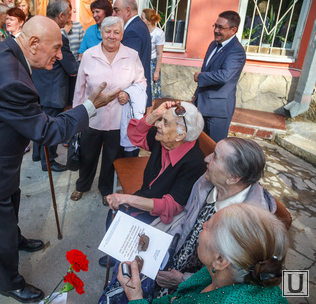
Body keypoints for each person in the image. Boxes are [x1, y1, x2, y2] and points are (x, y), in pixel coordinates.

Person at [0, 15, 120, 303]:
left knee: (9, 203)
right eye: (56, 48)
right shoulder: (9, 76)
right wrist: (90, 106)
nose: (60, 56)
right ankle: (8, 281)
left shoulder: (3, 50)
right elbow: (47, 132)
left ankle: (14, 239)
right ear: (34, 43)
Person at [100, 137, 277, 303]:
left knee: (128, 285)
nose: (206, 159)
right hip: (172, 256)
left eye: (215, 157)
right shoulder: (206, 181)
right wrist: (160, 247)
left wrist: (182, 280)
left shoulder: (249, 223)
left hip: (194, 281)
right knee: (124, 270)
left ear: (234, 178)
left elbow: (232, 280)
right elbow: (185, 220)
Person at [101, 101, 206, 267]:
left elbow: (169, 207)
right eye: (160, 120)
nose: (157, 125)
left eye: (164, 122)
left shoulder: (194, 163)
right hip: (147, 196)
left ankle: (120, 258)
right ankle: (115, 255)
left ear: (180, 135)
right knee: (114, 214)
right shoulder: (165, 140)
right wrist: (156, 114)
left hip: (160, 218)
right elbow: (135, 136)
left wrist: (127, 198)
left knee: (119, 213)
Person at [117, 203, 289, 303]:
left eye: (209, 227)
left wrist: (135, 296)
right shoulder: (224, 273)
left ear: (220, 259)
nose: (203, 224)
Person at [70, 16, 146, 205]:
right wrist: (75, 118)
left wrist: (128, 94)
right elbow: (80, 88)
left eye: (116, 32)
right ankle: (82, 185)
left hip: (119, 120)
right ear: (101, 33)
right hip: (92, 118)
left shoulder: (132, 55)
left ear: (122, 34)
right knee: (87, 155)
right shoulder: (89, 55)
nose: (111, 36)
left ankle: (106, 189)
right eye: (107, 31)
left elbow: (141, 82)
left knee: (112, 158)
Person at [32, 0, 78, 172]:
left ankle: (38, 155)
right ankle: (48, 161)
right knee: (50, 127)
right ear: (61, 15)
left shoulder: (38, 29)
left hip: (39, 86)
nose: (69, 18)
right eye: (68, 14)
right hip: (53, 89)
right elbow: (71, 67)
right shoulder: (58, 36)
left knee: (39, 124)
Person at [193, 11, 246, 143]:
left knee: (214, 149)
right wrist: (196, 96)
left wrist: (200, 77)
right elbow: (208, 69)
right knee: (198, 146)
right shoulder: (213, 44)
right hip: (202, 105)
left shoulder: (236, 50)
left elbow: (224, 76)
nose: (216, 30)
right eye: (215, 26)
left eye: (221, 27)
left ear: (233, 30)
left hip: (218, 111)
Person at [112, 0, 152, 111]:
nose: (113, 14)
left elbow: (126, 66)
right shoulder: (138, 26)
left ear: (128, 10)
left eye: (116, 10)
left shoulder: (132, 30)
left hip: (131, 93)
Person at [141, 9, 164, 110]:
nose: (140, 20)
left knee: (152, 92)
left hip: (152, 64)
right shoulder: (142, 31)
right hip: (142, 62)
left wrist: (157, 71)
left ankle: (148, 117)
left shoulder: (158, 33)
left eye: (142, 18)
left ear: (149, 21)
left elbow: (159, 54)